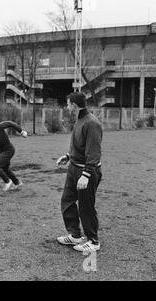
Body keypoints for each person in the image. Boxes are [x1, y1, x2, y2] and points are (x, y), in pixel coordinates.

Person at [56, 92, 103, 253]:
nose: (67, 107)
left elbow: (94, 153)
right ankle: (75, 235)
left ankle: (93, 241)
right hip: (74, 168)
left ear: (74, 105)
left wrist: (86, 174)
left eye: (68, 104)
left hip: (86, 171)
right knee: (67, 201)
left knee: (86, 207)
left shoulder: (92, 123)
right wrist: (68, 156)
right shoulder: (80, 120)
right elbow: (80, 145)